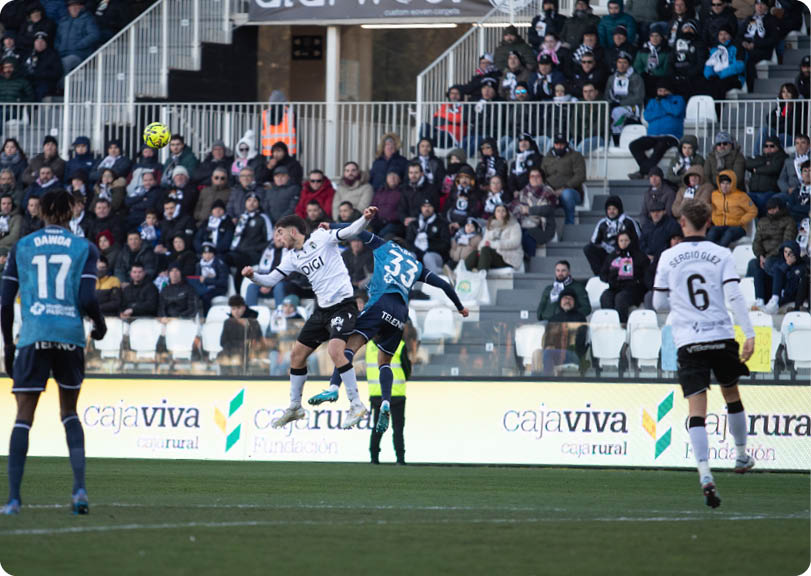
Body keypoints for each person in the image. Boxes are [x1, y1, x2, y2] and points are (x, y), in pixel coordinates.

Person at [306, 220, 468, 440]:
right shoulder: (416, 265)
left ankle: (334, 387)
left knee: (348, 349)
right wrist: (460, 307)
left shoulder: (384, 247)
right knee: (385, 363)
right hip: (400, 315)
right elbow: (445, 285)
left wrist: (331, 224)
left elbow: (357, 231)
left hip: (380, 303)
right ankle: (385, 403)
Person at [1, 189, 106, 515]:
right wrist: (99, 325)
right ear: (71, 213)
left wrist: (8, 345)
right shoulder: (84, 248)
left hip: (33, 336)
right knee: (70, 414)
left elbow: (5, 302)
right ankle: (79, 491)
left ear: (41, 212)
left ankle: (14, 500)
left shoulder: (22, 246)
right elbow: (88, 298)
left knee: (23, 418)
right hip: (70, 337)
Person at [653, 199, 756, 508]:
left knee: (696, 410)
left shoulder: (669, 257)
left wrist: (681, 305)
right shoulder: (721, 253)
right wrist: (748, 334)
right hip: (721, 336)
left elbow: (658, 304)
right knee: (732, 396)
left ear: (682, 224)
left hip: (689, 340)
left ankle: (705, 473)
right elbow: (735, 295)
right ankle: (740, 455)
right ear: (708, 222)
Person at [241, 209, 381, 429]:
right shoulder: (291, 257)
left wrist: (365, 218)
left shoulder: (321, 237)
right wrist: (253, 276)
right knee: (296, 355)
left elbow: (351, 231)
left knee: (335, 351)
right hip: (322, 310)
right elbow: (269, 281)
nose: (277, 238)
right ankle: (295, 407)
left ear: (293, 231)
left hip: (343, 305)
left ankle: (356, 404)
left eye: (280, 233)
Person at [628, 80, 685, 180]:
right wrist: (666, 112)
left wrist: (663, 102)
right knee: (634, 145)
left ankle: (643, 172)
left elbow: (676, 111)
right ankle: (649, 171)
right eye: (660, 91)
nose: (662, 93)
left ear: (670, 91)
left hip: (671, 136)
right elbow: (647, 116)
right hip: (652, 135)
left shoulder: (678, 99)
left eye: (664, 91)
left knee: (660, 146)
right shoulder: (652, 101)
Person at [747, 197, 797, 308]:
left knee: (771, 264)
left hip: (780, 255)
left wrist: (768, 257)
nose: (772, 211)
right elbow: (757, 241)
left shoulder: (789, 221)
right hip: (764, 256)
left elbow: (787, 242)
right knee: (754, 264)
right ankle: (759, 299)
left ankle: (775, 299)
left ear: (779, 208)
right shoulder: (763, 222)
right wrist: (760, 256)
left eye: (774, 209)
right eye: (770, 209)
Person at [366, 339, 409, 464]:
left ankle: (374, 459)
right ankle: (400, 459)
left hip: (376, 393)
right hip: (396, 393)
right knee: (398, 428)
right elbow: (407, 369)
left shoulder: (369, 346)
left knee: (377, 427)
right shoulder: (399, 345)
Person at [225, 192, 273, 291]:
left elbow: (270, 241)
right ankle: (225, 289)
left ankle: (238, 293)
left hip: (253, 254)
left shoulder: (263, 218)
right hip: (239, 251)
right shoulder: (242, 217)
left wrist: (255, 248)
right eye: (249, 200)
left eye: (255, 201)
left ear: (259, 203)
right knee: (223, 259)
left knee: (240, 265)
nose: (251, 203)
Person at [584, 195, 640, 275]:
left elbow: (638, 239)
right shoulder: (602, 223)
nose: (611, 211)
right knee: (588, 249)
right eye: (609, 209)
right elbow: (594, 241)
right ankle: (600, 275)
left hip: (625, 253)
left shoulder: (628, 222)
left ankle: (626, 275)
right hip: (608, 254)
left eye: (614, 209)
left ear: (619, 210)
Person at [509, 167, 558, 258]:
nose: (534, 178)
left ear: (542, 178)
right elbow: (514, 207)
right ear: (529, 178)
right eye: (532, 176)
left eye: (537, 176)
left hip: (543, 227)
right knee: (518, 231)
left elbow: (548, 209)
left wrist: (529, 210)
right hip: (524, 223)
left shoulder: (548, 191)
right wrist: (523, 210)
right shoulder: (523, 192)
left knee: (529, 233)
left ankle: (530, 258)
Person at [541, 287, 589, 376]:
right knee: (536, 354)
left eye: (570, 299)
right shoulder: (553, 319)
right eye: (564, 298)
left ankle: (546, 382)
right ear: (560, 301)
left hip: (573, 354)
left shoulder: (580, 318)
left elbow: (580, 341)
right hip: (553, 352)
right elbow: (546, 339)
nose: (567, 301)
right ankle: (535, 384)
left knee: (548, 353)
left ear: (575, 302)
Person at [540, 134, 585, 225]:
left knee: (566, 194)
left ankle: (569, 225)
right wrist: (548, 189)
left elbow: (580, 176)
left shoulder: (576, 156)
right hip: (551, 190)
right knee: (542, 195)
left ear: (566, 145)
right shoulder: (547, 158)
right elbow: (541, 175)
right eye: (557, 144)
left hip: (571, 191)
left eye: (562, 145)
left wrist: (565, 187)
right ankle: (547, 227)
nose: (559, 147)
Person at [464, 205, 523, 271]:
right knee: (475, 253)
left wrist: (495, 244)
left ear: (507, 213)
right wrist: (490, 237)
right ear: (495, 213)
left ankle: (481, 275)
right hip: (493, 256)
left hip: (508, 258)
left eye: (503, 211)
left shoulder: (514, 225)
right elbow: (483, 243)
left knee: (486, 250)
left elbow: (515, 243)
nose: (501, 213)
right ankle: (462, 275)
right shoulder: (491, 225)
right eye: (498, 211)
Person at [707, 171, 756, 246]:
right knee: (711, 233)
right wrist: (714, 218)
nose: (725, 186)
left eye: (727, 183)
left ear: (732, 184)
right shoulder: (714, 195)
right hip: (719, 226)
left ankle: (720, 253)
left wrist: (742, 221)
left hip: (737, 227)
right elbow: (711, 208)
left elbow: (753, 210)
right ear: (719, 184)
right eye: (722, 183)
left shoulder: (741, 196)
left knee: (728, 235)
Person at [740, 0, 778, 94]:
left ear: (766, 7)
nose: (760, 6)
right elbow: (739, 35)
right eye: (757, 4)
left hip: (762, 50)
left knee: (749, 61)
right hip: (746, 48)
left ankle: (751, 89)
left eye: (762, 4)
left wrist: (755, 44)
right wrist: (743, 42)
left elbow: (773, 40)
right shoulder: (749, 18)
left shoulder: (771, 19)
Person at [606, 52, 644, 144]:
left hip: (633, 107)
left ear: (629, 64)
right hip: (614, 105)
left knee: (617, 112)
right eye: (619, 62)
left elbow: (639, 97)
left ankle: (617, 139)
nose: (621, 65)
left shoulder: (636, 78)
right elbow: (607, 94)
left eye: (624, 62)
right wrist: (611, 102)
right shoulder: (612, 78)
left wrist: (620, 103)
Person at [406, 199, 451, 276]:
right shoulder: (414, 224)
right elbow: (408, 242)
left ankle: (434, 284)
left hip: (435, 255)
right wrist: (417, 248)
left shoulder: (441, 223)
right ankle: (408, 283)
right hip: (417, 253)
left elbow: (446, 244)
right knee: (410, 256)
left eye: (429, 206)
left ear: (433, 208)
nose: (427, 209)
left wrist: (428, 245)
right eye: (424, 206)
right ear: (421, 208)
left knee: (428, 257)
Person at [746, 137, 789, 216]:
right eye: (766, 146)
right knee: (744, 202)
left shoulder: (781, 157)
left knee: (762, 204)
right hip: (753, 192)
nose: (768, 148)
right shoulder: (761, 157)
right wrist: (765, 162)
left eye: (772, 146)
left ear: (778, 147)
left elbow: (773, 169)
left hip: (769, 192)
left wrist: (756, 170)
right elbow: (748, 164)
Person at [762, 240, 808, 313]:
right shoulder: (779, 264)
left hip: (796, 295)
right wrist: (787, 265)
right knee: (777, 270)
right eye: (785, 252)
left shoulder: (802, 265)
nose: (787, 255)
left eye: (790, 252)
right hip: (783, 295)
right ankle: (774, 299)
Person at [55, 0, 100, 73]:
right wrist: (58, 47)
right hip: (62, 53)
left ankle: (62, 84)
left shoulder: (87, 19)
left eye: (76, 6)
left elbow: (94, 35)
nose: (74, 8)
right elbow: (57, 38)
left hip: (78, 54)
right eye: (71, 6)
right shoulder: (63, 21)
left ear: (82, 7)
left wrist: (79, 45)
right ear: (68, 8)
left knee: (64, 64)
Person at [702, 25, 745, 101]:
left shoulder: (737, 47)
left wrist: (721, 74)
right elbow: (708, 65)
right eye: (720, 34)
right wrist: (711, 76)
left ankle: (718, 111)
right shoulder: (715, 50)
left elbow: (739, 65)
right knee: (705, 86)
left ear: (730, 35)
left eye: (725, 34)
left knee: (719, 86)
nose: (723, 37)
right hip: (716, 78)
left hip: (734, 78)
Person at [633, 23, 672, 99]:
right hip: (645, 78)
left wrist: (652, 71)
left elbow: (666, 69)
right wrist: (644, 72)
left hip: (660, 79)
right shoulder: (643, 51)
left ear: (661, 37)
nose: (654, 38)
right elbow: (637, 66)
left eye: (657, 36)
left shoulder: (667, 51)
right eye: (652, 36)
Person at [22, 31, 61, 100]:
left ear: (46, 43)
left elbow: (56, 73)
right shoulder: (28, 54)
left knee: (39, 91)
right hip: (28, 81)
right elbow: (22, 68)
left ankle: (35, 109)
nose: (39, 44)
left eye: (42, 41)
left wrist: (39, 73)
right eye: (37, 41)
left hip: (45, 82)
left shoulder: (52, 55)